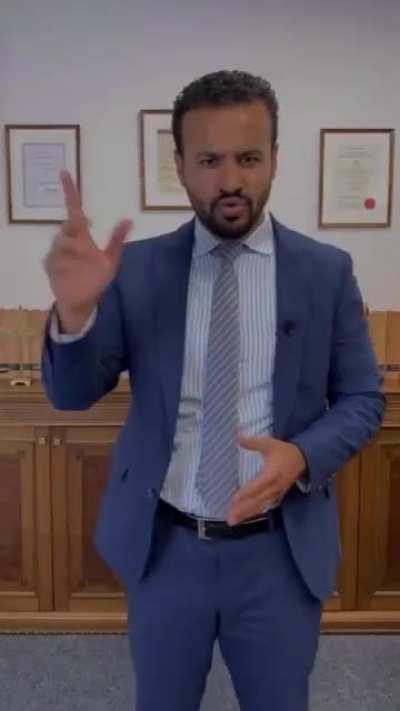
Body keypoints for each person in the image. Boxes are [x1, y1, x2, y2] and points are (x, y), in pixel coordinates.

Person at [42, 70, 385, 711]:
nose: (230, 180)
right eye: (209, 160)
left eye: (248, 158)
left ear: (275, 159)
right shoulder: (137, 270)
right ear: (180, 165)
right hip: (167, 549)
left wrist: (303, 455)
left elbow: (364, 400)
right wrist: (75, 312)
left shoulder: (325, 271)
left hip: (280, 554)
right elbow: (71, 394)